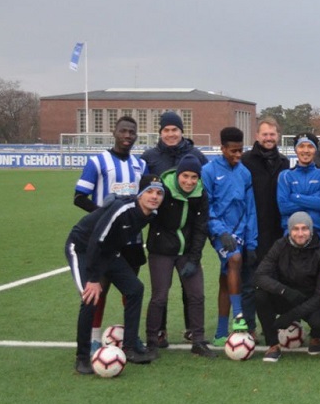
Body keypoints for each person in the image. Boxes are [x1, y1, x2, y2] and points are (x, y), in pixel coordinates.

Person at [67, 174, 163, 374]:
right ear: (140, 194)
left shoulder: (150, 214)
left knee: (135, 288)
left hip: (109, 252)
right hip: (82, 247)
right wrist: (93, 279)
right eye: (150, 192)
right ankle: (82, 357)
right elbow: (95, 240)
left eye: (159, 193)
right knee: (90, 297)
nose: (154, 196)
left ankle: (130, 348)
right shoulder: (122, 209)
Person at [73, 115, 146, 353]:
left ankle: (130, 336)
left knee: (131, 288)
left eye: (132, 132)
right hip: (104, 238)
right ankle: (94, 338)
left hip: (131, 239)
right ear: (114, 132)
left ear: (136, 136)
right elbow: (79, 197)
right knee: (99, 287)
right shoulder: (98, 162)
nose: (127, 136)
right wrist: (105, 217)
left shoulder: (140, 165)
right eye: (123, 131)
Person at [140, 111, 208, 347]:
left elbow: (202, 207)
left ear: (182, 132)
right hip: (162, 239)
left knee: (194, 292)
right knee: (160, 294)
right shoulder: (150, 157)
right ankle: (157, 335)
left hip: (187, 240)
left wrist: (195, 253)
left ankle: (195, 335)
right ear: (161, 132)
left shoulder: (196, 156)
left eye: (175, 130)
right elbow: (142, 197)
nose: (170, 134)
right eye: (166, 130)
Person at [145, 155, 215, 359]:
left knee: (196, 294)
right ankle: (151, 341)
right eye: (185, 176)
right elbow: (145, 209)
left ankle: (198, 341)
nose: (189, 181)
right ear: (178, 174)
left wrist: (194, 259)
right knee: (159, 297)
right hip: (161, 251)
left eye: (194, 177)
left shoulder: (201, 193)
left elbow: (200, 229)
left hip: (186, 252)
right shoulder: (162, 190)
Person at [202, 127, 257, 345]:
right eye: (233, 151)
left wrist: (251, 242)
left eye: (240, 151)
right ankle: (239, 316)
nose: (237, 155)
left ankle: (220, 333)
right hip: (220, 232)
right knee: (234, 259)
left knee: (227, 279)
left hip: (241, 231)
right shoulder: (208, 171)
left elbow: (250, 209)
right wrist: (220, 231)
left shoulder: (245, 173)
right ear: (222, 148)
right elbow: (206, 206)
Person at [254, 212, 320, 362]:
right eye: (295, 229)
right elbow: (259, 276)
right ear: (290, 230)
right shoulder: (279, 246)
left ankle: (316, 337)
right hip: (285, 296)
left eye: (304, 228)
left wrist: (291, 316)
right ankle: (273, 345)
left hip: (310, 301)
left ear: (311, 230)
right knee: (260, 295)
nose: (300, 233)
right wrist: (284, 290)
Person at [240, 116, 290, 338]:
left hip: (277, 233)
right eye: (265, 134)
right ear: (257, 136)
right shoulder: (245, 161)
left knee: (277, 281)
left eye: (272, 134)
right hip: (253, 231)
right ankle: (248, 326)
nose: (269, 138)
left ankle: (277, 326)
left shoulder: (284, 163)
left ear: (278, 136)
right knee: (251, 281)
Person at [277, 133, 320, 248]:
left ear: (315, 150)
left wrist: (295, 197)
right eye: (301, 146)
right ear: (295, 149)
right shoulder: (285, 176)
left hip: (319, 234)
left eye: (310, 146)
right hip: (291, 235)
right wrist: (314, 200)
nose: (306, 150)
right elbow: (283, 207)